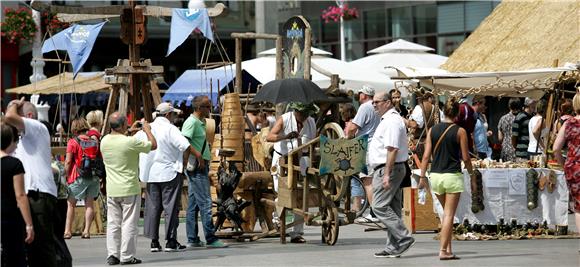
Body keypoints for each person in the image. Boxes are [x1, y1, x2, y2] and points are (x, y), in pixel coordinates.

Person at [137, 103, 201, 252]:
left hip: (151, 174)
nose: (175, 117)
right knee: (170, 208)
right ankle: (170, 241)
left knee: (152, 208)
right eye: (173, 114)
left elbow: (135, 141)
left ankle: (154, 241)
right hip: (170, 172)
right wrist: (184, 162)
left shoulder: (147, 128)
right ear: (167, 115)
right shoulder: (170, 129)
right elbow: (185, 146)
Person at [418, 97, 477, 260]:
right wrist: (472, 176)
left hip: (435, 176)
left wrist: (422, 176)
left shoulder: (432, 130)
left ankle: (448, 248)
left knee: (445, 215)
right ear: (457, 113)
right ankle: (443, 250)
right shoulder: (460, 131)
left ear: (444, 112)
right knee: (450, 215)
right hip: (452, 176)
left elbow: (425, 156)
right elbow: (466, 158)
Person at [5, 97, 59, 267]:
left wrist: (13, 105)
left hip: (38, 195)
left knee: (41, 248)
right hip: (30, 196)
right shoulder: (21, 138)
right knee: (30, 248)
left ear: (27, 116)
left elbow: (9, 117)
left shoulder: (37, 128)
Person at [101, 112, 157, 265]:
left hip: (112, 188)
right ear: (123, 124)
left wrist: (129, 131)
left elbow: (119, 139)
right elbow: (153, 145)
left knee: (113, 223)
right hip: (129, 188)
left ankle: (112, 254)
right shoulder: (129, 142)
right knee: (129, 224)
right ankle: (127, 256)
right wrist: (147, 130)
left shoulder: (104, 141)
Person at [368, 92, 414, 258]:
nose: (374, 105)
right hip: (390, 168)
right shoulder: (389, 120)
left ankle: (404, 237)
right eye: (373, 103)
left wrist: (386, 174)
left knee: (379, 206)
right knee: (393, 208)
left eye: (377, 102)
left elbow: (392, 148)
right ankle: (393, 246)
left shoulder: (392, 121)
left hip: (389, 168)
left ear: (387, 103)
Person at [267, 102, 318, 243]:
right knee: (282, 192)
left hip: (300, 160)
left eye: (307, 114)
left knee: (301, 194)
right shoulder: (284, 118)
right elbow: (269, 137)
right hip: (282, 160)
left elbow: (314, 143)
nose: (304, 116)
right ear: (295, 111)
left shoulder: (311, 122)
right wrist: (285, 136)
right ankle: (278, 218)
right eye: (302, 113)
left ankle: (297, 233)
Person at [182, 96, 228, 249]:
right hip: (197, 167)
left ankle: (192, 238)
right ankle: (210, 237)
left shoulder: (201, 122)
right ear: (199, 108)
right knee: (206, 202)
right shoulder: (191, 122)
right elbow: (184, 142)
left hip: (201, 166)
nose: (210, 109)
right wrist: (198, 155)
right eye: (208, 106)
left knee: (194, 204)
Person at [1, 122, 34, 267]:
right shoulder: (14, 164)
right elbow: (20, 195)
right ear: (10, 141)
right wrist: (29, 224)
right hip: (9, 217)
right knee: (14, 257)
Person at [345, 85, 380, 223]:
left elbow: (353, 127)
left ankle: (374, 214)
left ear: (364, 95)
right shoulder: (377, 107)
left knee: (367, 181)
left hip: (367, 146)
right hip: (376, 146)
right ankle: (376, 212)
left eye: (360, 94)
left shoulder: (365, 107)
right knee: (374, 181)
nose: (359, 96)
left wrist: (347, 139)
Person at [63, 118, 100, 239]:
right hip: (93, 176)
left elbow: (68, 161)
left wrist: (66, 175)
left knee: (71, 204)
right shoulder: (94, 141)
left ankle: (68, 231)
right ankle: (86, 231)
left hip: (78, 176)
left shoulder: (73, 142)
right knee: (89, 204)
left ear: (74, 129)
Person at [553, 93, 580, 235]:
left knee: (578, 207)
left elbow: (556, 148)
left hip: (574, 168)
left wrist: (564, 164)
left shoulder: (568, 123)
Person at [409, 90, 439, 159]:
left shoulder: (419, 108)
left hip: (421, 144)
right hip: (434, 142)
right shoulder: (437, 109)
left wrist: (406, 122)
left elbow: (415, 125)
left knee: (421, 165)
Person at [497, 98, 521, 162]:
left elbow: (500, 138)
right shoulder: (521, 118)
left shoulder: (503, 118)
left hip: (505, 149)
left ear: (509, 106)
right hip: (518, 149)